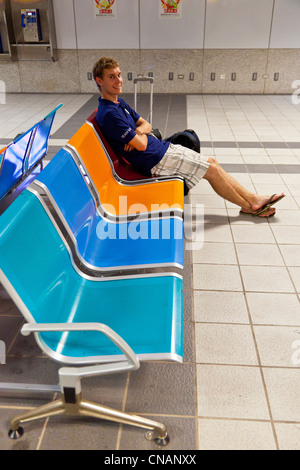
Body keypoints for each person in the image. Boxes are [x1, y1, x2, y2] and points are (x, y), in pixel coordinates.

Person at [93, 57, 285, 217]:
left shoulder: (119, 103)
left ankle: (251, 201)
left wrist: (139, 132)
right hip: (154, 160)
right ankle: (252, 204)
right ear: (99, 81)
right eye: (111, 77)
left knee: (213, 162)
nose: (118, 81)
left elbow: (147, 125)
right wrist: (141, 133)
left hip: (161, 149)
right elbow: (142, 146)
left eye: (119, 75)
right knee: (211, 170)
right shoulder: (109, 114)